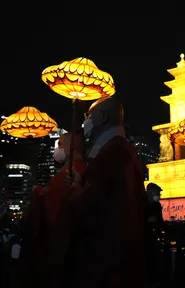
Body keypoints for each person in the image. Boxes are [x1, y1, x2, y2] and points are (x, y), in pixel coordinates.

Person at [63, 97, 147, 287]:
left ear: (101, 116)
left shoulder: (114, 151)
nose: (86, 121)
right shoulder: (116, 149)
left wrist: (77, 191)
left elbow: (105, 206)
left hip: (107, 256)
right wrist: (81, 183)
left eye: (88, 116)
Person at [20, 132, 86, 288]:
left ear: (72, 148)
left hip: (58, 242)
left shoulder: (72, 170)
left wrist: (37, 191)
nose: (57, 149)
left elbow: (54, 202)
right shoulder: (74, 168)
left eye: (61, 145)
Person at [145, 182, 164, 285]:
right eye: (157, 193)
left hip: (155, 236)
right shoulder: (143, 204)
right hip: (146, 238)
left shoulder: (157, 205)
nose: (159, 196)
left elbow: (160, 221)